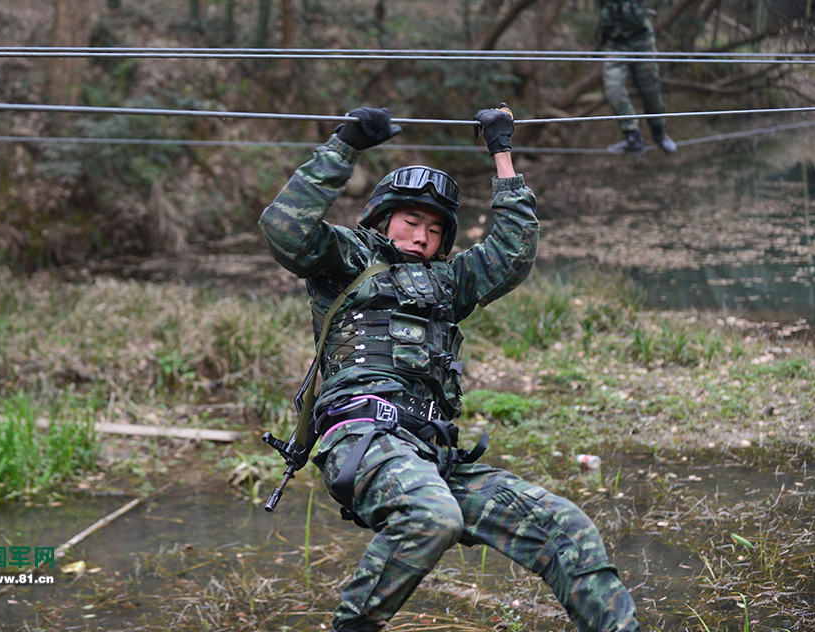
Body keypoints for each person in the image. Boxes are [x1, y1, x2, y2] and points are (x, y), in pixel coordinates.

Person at [259, 104, 641, 632]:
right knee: (431, 517)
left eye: (435, 230)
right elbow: (284, 229)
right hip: (364, 441)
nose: (421, 236)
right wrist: (344, 145)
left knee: (563, 526)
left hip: (434, 458)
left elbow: (512, 254)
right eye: (410, 221)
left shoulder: (450, 283)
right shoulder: (344, 259)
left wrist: (502, 152)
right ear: (382, 218)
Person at [597, 0, 677, 154]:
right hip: (616, 46)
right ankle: (633, 137)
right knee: (613, 91)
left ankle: (659, 133)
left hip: (643, 43)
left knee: (650, 91)